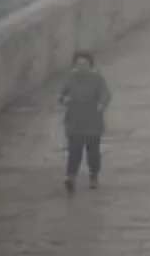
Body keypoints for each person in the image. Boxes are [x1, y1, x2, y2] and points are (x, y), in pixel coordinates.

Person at [59, 50, 112, 193]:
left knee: (93, 152)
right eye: (79, 64)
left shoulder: (97, 79)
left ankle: (93, 176)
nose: (82, 66)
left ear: (90, 65)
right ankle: (71, 177)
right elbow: (62, 95)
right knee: (74, 152)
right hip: (75, 122)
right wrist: (65, 99)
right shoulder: (70, 79)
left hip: (92, 122)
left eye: (84, 63)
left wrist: (101, 104)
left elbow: (105, 94)